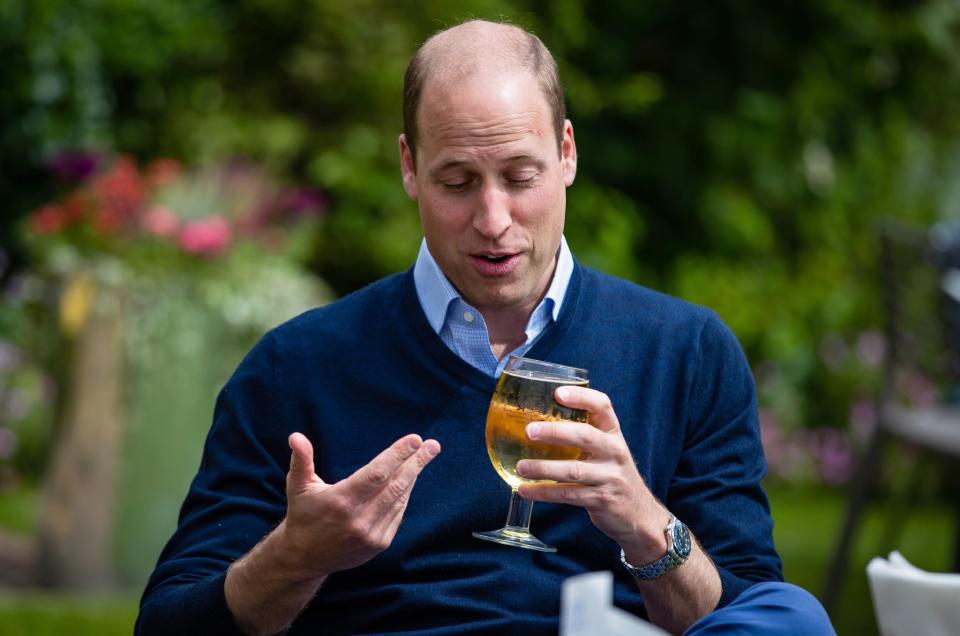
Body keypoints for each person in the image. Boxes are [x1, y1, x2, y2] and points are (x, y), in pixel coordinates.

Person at [136, 19, 834, 636]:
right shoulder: (296, 367)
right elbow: (169, 622)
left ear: (566, 154)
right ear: (410, 167)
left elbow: (753, 615)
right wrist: (297, 556)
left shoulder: (686, 354)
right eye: (458, 181)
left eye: (519, 176)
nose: (494, 220)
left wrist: (645, 525)